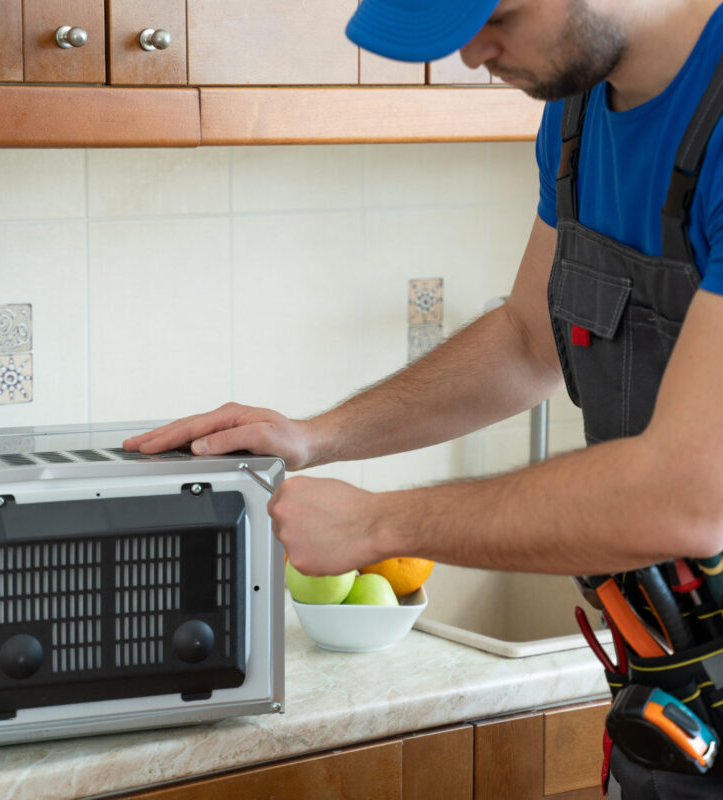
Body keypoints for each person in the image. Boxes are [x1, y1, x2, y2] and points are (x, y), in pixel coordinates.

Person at [125, 1, 723, 796]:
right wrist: (318, 435)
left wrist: (380, 524)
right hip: (678, 701)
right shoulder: (575, 113)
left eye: (494, 15)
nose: (473, 53)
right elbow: (527, 339)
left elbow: (687, 495)